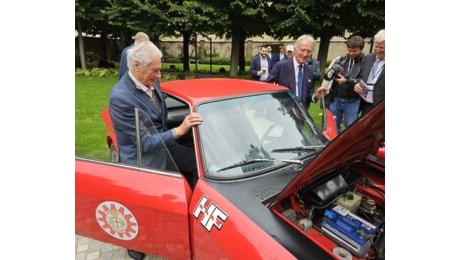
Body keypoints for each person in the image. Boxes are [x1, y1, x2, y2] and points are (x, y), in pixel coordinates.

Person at [109, 41, 203, 260]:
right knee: (143, 210)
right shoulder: (120, 97)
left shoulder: (150, 81)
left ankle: (190, 222)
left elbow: (157, 122)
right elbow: (145, 144)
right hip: (142, 160)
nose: (159, 75)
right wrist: (180, 130)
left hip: (164, 147)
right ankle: (136, 244)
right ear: (136, 65)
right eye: (155, 70)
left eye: (160, 69)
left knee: (196, 163)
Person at [267, 35, 327, 110]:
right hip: (282, 114)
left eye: (308, 51)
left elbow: (308, 94)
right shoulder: (280, 67)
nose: (305, 54)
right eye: (302, 50)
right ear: (295, 50)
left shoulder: (309, 72)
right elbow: (267, 89)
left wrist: (316, 96)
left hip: (301, 115)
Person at [323, 35, 366, 134]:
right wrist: (329, 74)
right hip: (336, 98)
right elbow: (327, 76)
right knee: (333, 127)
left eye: (354, 51)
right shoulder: (341, 59)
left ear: (361, 49)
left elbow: (363, 81)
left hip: (353, 101)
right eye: (349, 50)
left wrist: (347, 80)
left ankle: (349, 148)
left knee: (350, 128)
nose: (351, 53)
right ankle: (335, 148)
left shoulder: (365, 62)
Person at [354, 29, 385, 115]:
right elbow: (359, 77)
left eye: (381, 47)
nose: (377, 50)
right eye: (376, 46)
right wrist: (357, 84)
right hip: (365, 105)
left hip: (381, 110)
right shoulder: (369, 58)